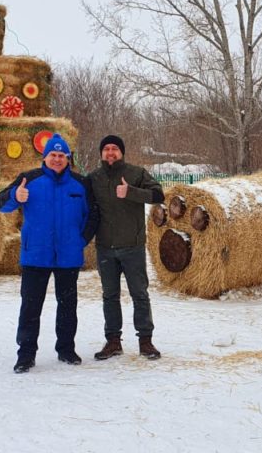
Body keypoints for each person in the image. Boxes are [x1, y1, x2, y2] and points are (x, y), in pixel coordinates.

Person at [0, 134, 94, 374]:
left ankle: (66, 349)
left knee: (68, 305)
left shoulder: (80, 184)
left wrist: (80, 240)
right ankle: (26, 354)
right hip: (36, 255)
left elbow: (93, 216)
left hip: (68, 256)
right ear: (45, 157)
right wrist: (14, 197)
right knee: (30, 306)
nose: (57, 159)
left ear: (68, 159)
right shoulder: (29, 179)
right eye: (53, 155)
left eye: (62, 156)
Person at [86, 134, 165, 360]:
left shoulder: (136, 173)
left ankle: (145, 341)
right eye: (106, 149)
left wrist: (131, 192)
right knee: (109, 296)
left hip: (132, 247)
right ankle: (113, 342)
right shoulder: (93, 178)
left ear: (121, 152)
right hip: (105, 248)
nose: (110, 152)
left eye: (115, 149)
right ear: (101, 153)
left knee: (139, 294)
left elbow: (159, 194)